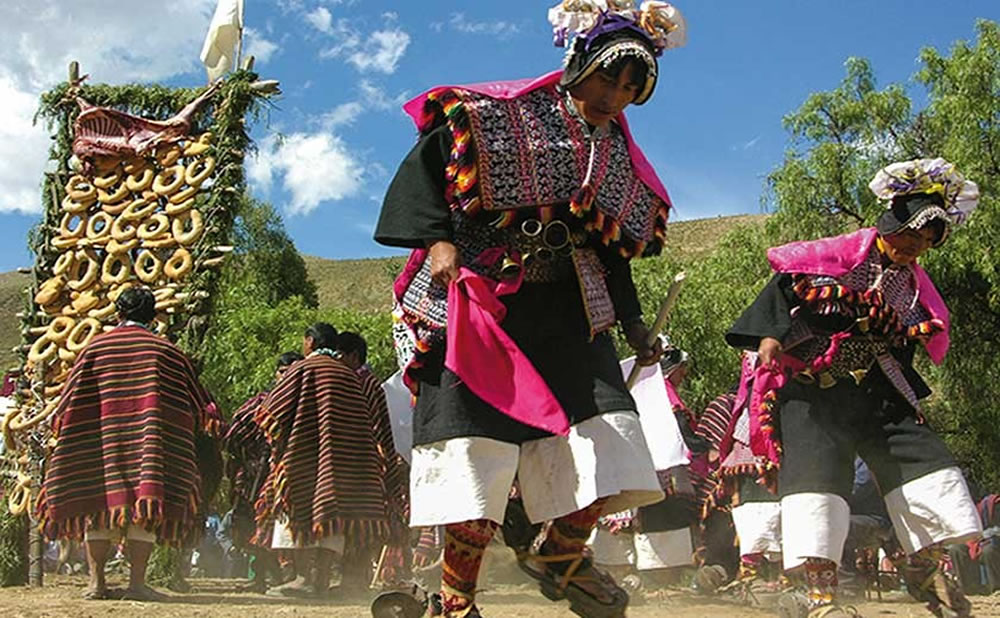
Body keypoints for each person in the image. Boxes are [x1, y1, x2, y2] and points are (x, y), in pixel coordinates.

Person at [373, 3, 687, 615]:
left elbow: (614, 249)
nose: (615, 96)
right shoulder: (493, 116)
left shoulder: (618, 157)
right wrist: (438, 239)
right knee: (476, 453)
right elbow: (427, 170)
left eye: (631, 88)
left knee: (611, 437)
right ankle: (455, 598)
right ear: (578, 63)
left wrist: (633, 324)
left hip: (571, 312)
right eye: (607, 78)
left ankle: (561, 552)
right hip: (478, 303)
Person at [725, 158, 983, 617]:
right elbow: (783, 291)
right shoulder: (831, 258)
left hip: (875, 389)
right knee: (817, 482)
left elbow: (906, 343)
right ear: (889, 222)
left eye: (926, 241)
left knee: (923, 462)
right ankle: (822, 596)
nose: (914, 247)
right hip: (812, 390)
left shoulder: (913, 288)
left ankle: (923, 567)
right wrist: (769, 337)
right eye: (910, 233)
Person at [36, 287, 221, 601]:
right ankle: (137, 584)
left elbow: (70, 401)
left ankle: (96, 583)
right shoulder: (168, 353)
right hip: (150, 446)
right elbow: (198, 404)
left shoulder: (95, 348)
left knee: (97, 508)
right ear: (152, 317)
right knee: (144, 509)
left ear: (118, 313)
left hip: (101, 443)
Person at [253, 323, 399, 598]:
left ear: (310, 341)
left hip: (307, 457)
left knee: (301, 509)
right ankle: (320, 581)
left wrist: (279, 444)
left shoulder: (304, 368)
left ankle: (304, 579)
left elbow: (271, 412)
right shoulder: (351, 375)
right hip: (348, 462)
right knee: (331, 517)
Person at [335, 331, 410, 591]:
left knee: (359, 522)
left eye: (340, 355)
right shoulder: (365, 382)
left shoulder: (362, 384)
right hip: (365, 461)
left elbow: (376, 428)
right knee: (355, 522)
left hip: (364, 463)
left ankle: (353, 580)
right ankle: (352, 578)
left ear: (354, 356)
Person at [224, 351, 302, 592]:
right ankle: (261, 576)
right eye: (282, 371)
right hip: (254, 473)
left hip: (289, 473)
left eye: (292, 371)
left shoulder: (305, 405)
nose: (286, 375)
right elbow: (234, 433)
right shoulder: (261, 402)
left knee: (285, 525)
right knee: (252, 525)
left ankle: (288, 575)